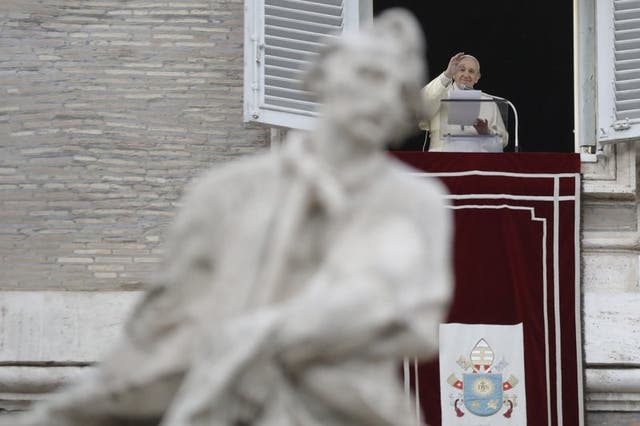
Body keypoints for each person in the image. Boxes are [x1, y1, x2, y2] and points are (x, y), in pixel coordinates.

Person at [4, 9, 453, 426]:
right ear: (322, 75)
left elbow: (411, 319)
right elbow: (160, 329)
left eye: (398, 89)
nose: (381, 99)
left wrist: (264, 335)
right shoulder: (225, 192)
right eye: (369, 74)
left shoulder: (415, 202)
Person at [419, 52, 508, 151]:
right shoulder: (440, 95)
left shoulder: (488, 102)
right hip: (442, 161)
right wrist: (447, 74)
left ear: (477, 78)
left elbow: (502, 141)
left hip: (475, 163)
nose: (466, 74)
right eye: (462, 70)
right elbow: (419, 106)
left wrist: (486, 133)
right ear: (454, 74)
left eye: (471, 71)